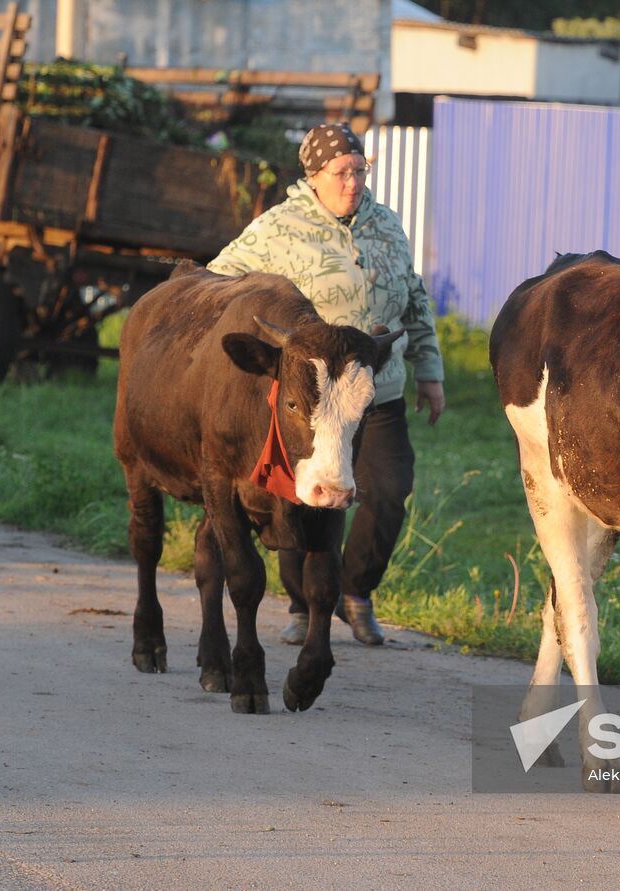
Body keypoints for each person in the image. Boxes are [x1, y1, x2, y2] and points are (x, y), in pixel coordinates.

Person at [207, 123, 445, 646]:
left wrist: (429, 371)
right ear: (314, 176)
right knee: (301, 497)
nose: (354, 181)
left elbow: (413, 299)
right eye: (342, 172)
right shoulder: (279, 227)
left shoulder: (386, 224)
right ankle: (300, 603)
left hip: (373, 391)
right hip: (309, 399)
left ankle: (354, 593)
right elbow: (221, 279)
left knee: (388, 490)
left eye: (360, 170)